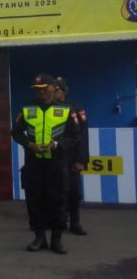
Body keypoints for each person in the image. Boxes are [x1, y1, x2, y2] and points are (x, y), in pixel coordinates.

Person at [12, 74, 81, 254]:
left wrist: (57, 144)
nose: (41, 92)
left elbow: (75, 137)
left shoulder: (66, 110)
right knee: (35, 201)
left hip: (57, 164)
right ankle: (39, 238)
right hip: (34, 163)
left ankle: (56, 239)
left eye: (44, 88)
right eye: (37, 89)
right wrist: (29, 144)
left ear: (54, 88)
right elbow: (16, 132)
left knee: (58, 200)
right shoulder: (27, 109)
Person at [54, 77, 90, 235]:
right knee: (55, 192)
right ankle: (57, 222)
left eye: (57, 90)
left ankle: (75, 223)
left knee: (73, 192)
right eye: (53, 89)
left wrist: (81, 160)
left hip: (71, 158)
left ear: (64, 91)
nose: (54, 92)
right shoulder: (46, 109)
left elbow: (82, 136)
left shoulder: (76, 109)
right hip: (53, 158)